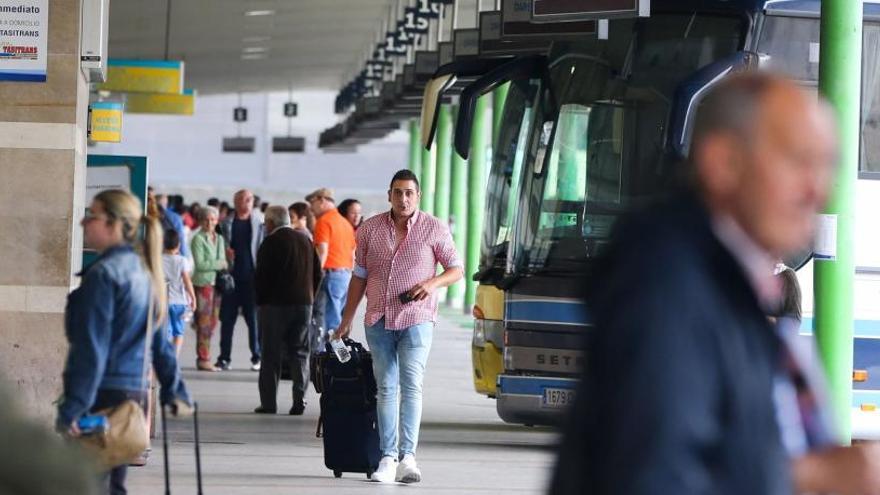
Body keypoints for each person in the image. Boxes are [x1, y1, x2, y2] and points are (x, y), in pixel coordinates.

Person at [548, 73, 880, 495]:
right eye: (798, 161)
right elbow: (652, 477)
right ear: (724, 163)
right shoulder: (668, 291)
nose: (818, 189)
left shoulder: (728, 283)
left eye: (825, 165)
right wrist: (813, 476)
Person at [57, 189, 191, 494]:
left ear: (115, 224)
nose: (83, 221)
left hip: (102, 397)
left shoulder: (104, 276)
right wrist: (174, 389)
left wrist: (74, 408)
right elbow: (160, 344)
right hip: (133, 398)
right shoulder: (143, 273)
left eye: (93, 215)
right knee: (113, 485)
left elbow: (92, 349)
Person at [337, 170, 463, 484]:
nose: (403, 198)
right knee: (386, 389)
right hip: (378, 319)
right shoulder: (368, 230)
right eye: (397, 192)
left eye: (409, 192)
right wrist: (346, 318)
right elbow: (359, 276)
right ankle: (388, 457)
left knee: (411, 385)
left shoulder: (435, 228)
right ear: (389, 195)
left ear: (417, 196)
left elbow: (456, 269)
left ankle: (409, 457)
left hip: (417, 319)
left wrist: (432, 283)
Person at [253, 206, 322, 415]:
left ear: (272, 223)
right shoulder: (306, 241)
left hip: (274, 307)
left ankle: (268, 403)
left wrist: (261, 301)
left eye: (266, 222)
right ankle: (299, 400)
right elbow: (318, 274)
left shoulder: (270, 242)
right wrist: (310, 297)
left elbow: (261, 277)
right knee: (300, 353)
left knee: (270, 354)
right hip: (303, 306)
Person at [219, 189, 264, 371]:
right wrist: (224, 253)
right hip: (231, 279)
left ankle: (257, 356)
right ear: (235, 201)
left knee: (253, 321)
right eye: (243, 199)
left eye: (250, 199)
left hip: (251, 280)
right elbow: (216, 245)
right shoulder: (226, 224)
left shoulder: (259, 224)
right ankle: (224, 358)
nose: (247, 202)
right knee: (227, 321)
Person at [307, 188, 356, 346]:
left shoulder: (324, 221)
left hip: (330, 276)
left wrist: (314, 278)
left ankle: (335, 362)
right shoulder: (344, 223)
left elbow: (322, 252)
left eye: (312, 202)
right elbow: (352, 253)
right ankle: (337, 360)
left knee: (329, 324)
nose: (310, 207)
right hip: (345, 276)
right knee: (336, 320)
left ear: (322, 200)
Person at [191, 206, 228, 371]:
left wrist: (219, 263)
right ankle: (203, 358)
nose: (209, 222)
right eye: (206, 219)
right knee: (204, 323)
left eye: (213, 219)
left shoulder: (219, 238)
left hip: (217, 284)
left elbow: (224, 260)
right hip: (203, 284)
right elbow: (200, 264)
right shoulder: (197, 239)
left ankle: (204, 354)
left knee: (213, 322)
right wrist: (219, 264)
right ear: (200, 221)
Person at [162, 229, 196, 357]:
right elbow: (187, 281)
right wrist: (193, 298)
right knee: (179, 333)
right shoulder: (182, 260)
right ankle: (173, 359)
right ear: (179, 245)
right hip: (180, 302)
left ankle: (164, 358)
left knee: (166, 334)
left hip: (163, 302)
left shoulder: (158, 259)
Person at [153, 192, 189, 258]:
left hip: (155, 253)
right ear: (166, 203)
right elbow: (181, 238)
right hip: (171, 254)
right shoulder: (175, 217)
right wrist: (185, 257)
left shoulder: (150, 216)